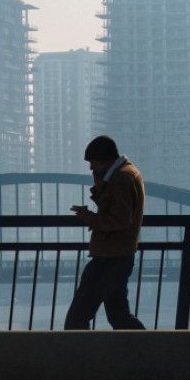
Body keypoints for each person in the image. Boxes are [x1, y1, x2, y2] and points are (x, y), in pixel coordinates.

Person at [64, 135, 146, 330]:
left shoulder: (122, 179)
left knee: (78, 317)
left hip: (110, 258)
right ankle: (148, 352)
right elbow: (116, 211)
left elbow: (119, 220)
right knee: (120, 318)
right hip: (119, 254)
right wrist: (100, 187)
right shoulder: (125, 174)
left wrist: (89, 217)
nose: (91, 168)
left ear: (104, 159)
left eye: (92, 163)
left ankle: (79, 358)